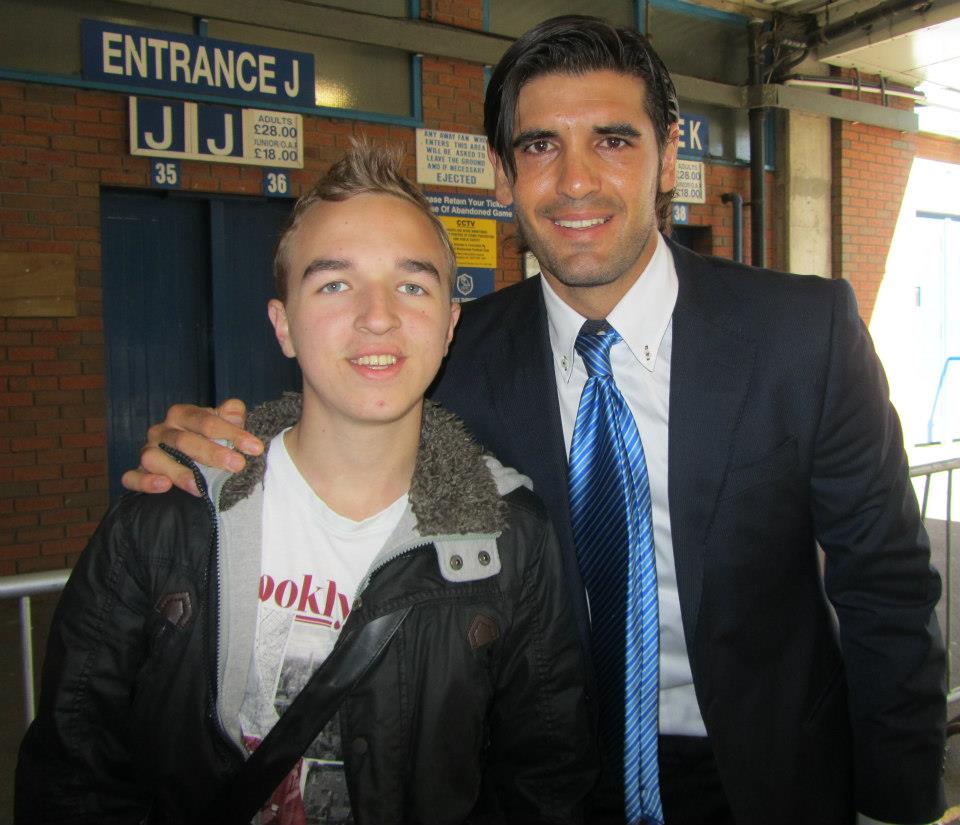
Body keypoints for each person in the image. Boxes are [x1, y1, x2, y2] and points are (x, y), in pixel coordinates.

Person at [121, 16, 947, 825]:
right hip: (540, 776)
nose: (576, 181)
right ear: (501, 173)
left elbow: (886, 584)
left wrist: (898, 803)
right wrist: (225, 448)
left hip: (770, 773)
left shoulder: (803, 334)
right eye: (541, 145)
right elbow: (342, 417)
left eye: (613, 140)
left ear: (668, 158)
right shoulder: (451, 357)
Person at [15, 144, 598, 825]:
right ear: (283, 325)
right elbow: (73, 770)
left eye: (412, 285)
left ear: (449, 326)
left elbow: (543, 781)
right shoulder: (168, 518)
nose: (377, 315)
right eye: (334, 284)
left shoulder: (511, 538)